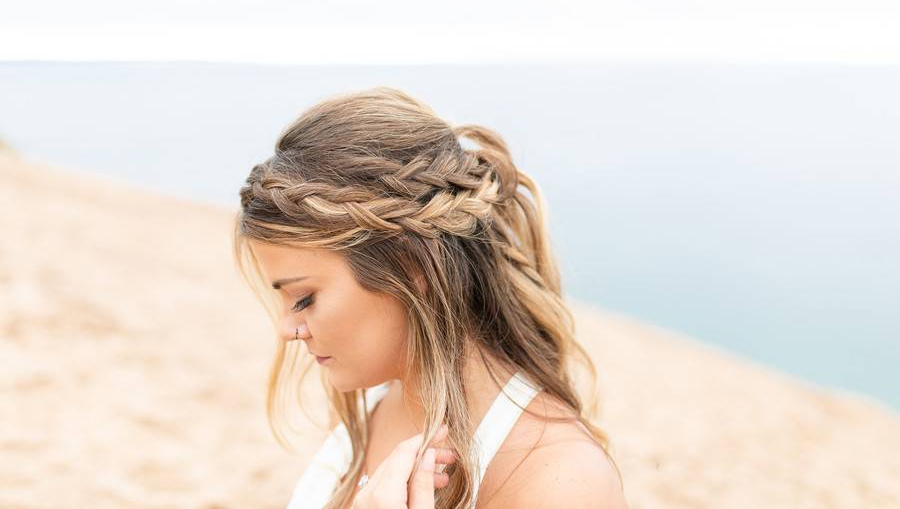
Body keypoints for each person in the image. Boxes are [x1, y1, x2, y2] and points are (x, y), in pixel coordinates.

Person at [233, 86, 628, 509]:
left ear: (409, 266)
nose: (286, 330)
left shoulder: (560, 482)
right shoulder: (373, 403)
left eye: (303, 298)